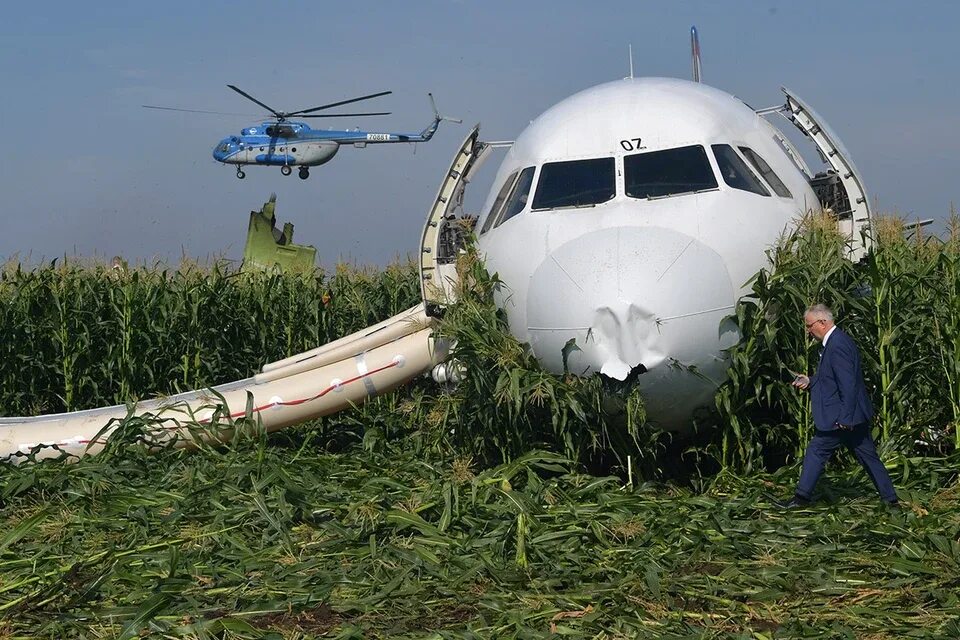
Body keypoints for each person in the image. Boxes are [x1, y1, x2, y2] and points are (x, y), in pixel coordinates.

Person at [781, 303, 899, 508]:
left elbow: (848, 384)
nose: (808, 331)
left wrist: (845, 418)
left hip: (841, 417)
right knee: (868, 457)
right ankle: (891, 501)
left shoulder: (837, 346)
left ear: (823, 322)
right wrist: (811, 381)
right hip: (852, 416)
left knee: (817, 451)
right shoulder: (837, 342)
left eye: (809, 326)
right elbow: (833, 378)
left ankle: (800, 499)